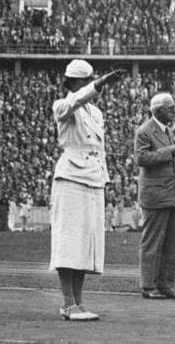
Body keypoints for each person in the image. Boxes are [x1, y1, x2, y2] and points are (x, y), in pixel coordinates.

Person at [50, 60, 125, 321]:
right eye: (84, 82)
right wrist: (99, 84)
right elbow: (73, 103)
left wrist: (105, 177)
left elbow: (100, 149)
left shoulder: (96, 113)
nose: (89, 86)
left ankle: (78, 303)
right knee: (68, 242)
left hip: (92, 177)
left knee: (84, 244)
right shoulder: (62, 105)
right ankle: (68, 303)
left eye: (90, 81)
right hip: (71, 175)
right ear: (71, 83)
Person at [135, 93, 175, 300]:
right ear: (159, 110)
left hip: (172, 194)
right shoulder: (145, 131)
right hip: (156, 195)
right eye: (172, 108)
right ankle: (148, 286)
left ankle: (165, 286)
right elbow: (141, 158)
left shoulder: (167, 131)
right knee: (152, 242)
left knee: (170, 243)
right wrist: (170, 151)